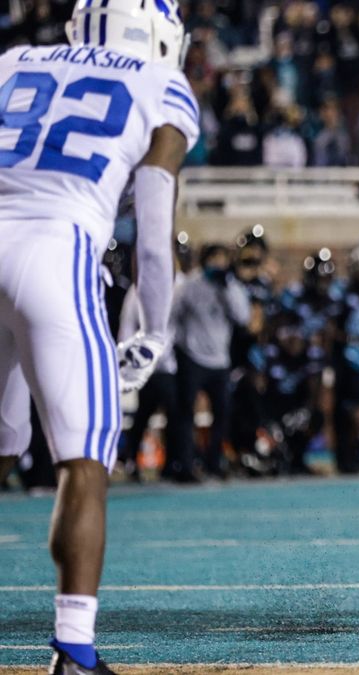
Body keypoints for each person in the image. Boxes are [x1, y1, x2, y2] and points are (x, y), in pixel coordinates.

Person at [0, 0, 198, 670]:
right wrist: (154, 327)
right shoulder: (162, 84)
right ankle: (74, 648)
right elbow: (152, 231)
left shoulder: (13, 61)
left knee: (2, 444)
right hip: (56, 252)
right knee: (83, 459)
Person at [173, 244, 252, 478]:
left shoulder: (232, 286)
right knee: (186, 413)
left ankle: (214, 462)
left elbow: (243, 317)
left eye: (222, 260)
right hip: (193, 357)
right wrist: (182, 345)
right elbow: (173, 315)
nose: (218, 265)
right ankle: (186, 464)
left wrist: (226, 289)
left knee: (222, 413)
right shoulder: (191, 284)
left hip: (220, 360)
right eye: (214, 259)